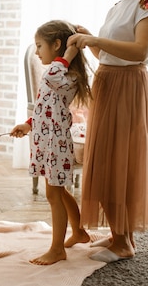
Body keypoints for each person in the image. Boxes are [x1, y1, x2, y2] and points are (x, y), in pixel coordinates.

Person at [68, 0, 148, 263]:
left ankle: (124, 242)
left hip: (128, 88)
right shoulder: (119, 5)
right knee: (106, 161)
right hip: (109, 83)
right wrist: (90, 40)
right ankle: (119, 235)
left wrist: (95, 38)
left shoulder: (147, 1)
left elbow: (141, 52)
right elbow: (108, 54)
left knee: (120, 162)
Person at [10, 20, 92, 265]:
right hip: (45, 139)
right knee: (57, 190)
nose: (36, 52)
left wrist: (69, 53)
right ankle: (78, 232)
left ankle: (57, 249)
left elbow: (52, 77)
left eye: (39, 46)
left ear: (57, 46)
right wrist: (28, 123)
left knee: (53, 194)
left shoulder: (64, 74)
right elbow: (46, 106)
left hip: (55, 142)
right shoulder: (57, 74)